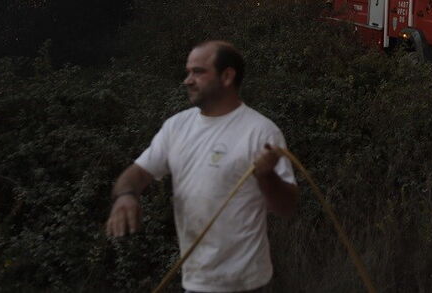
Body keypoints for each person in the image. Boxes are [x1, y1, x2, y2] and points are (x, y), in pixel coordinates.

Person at [106, 41, 298, 292]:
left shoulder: (261, 132)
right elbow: (138, 172)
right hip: (196, 281)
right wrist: (126, 195)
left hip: (246, 284)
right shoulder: (177, 127)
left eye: (198, 72)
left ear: (227, 76)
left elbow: (287, 208)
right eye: (188, 72)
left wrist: (267, 176)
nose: (187, 80)